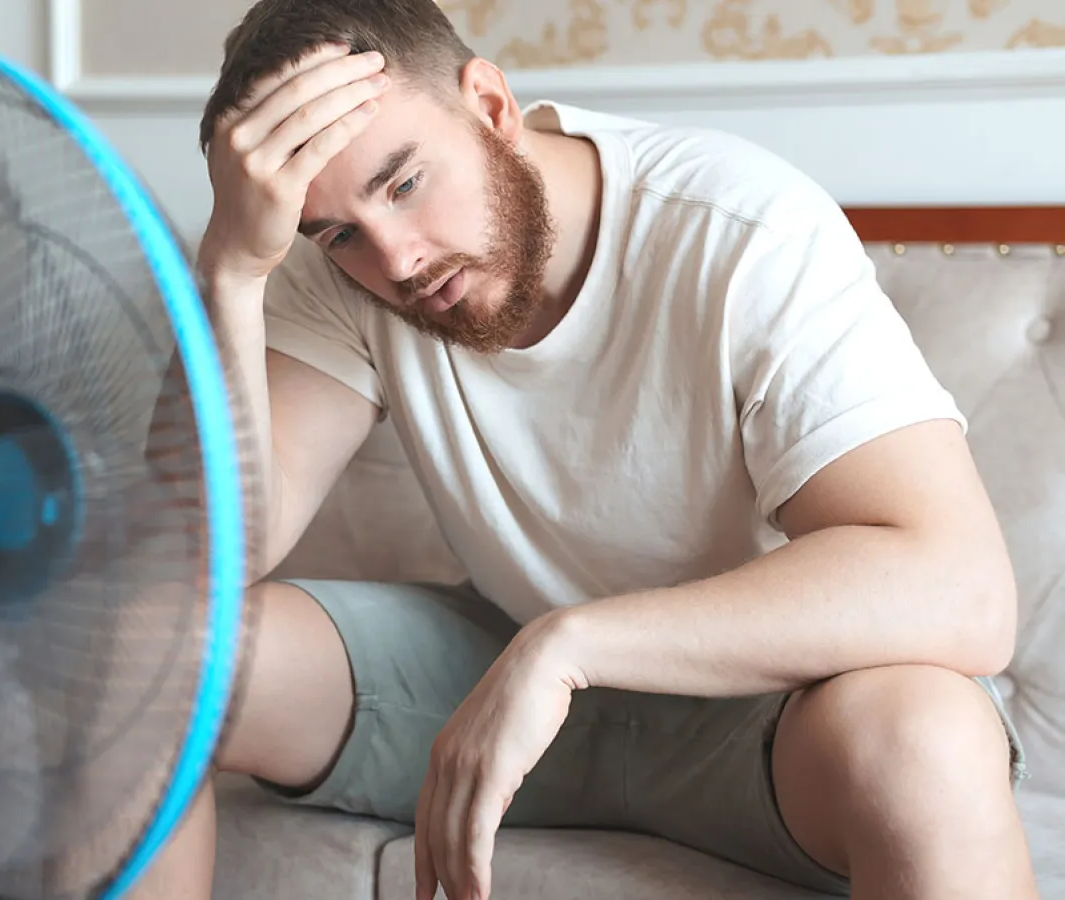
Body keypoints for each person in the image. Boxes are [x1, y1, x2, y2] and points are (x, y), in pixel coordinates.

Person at [136, 1, 1037, 898]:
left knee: (929, 740)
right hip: (503, 672)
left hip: (774, 713)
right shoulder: (344, 267)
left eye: (405, 183)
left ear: (489, 104)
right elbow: (198, 567)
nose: (398, 261)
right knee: (145, 647)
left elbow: (960, 587)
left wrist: (569, 647)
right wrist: (230, 270)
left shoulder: (738, 229)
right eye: (336, 233)